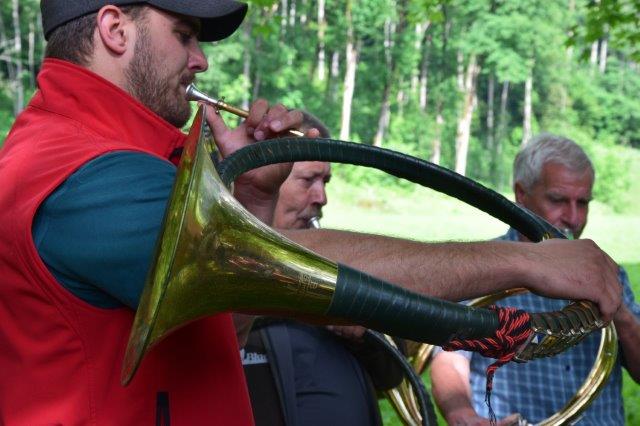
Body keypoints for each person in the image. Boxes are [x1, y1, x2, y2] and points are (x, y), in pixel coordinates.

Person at [0, 1, 623, 424]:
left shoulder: (107, 159)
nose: (201, 60)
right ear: (115, 29)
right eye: (184, 35)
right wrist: (527, 261)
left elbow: (221, 330)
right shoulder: (85, 171)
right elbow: (312, 265)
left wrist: (251, 203)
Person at [429, 133, 640, 426]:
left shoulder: (607, 271)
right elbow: (450, 358)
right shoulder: (480, 267)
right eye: (558, 200)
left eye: (583, 203)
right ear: (521, 193)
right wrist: (461, 414)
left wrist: (622, 315)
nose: (574, 218)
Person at [243, 114, 403, 426]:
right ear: (263, 177)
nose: (322, 198)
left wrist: (364, 332)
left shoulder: (342, 262)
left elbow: (394, 373)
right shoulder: (229, 268)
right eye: (308, 181)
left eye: (325, 182)